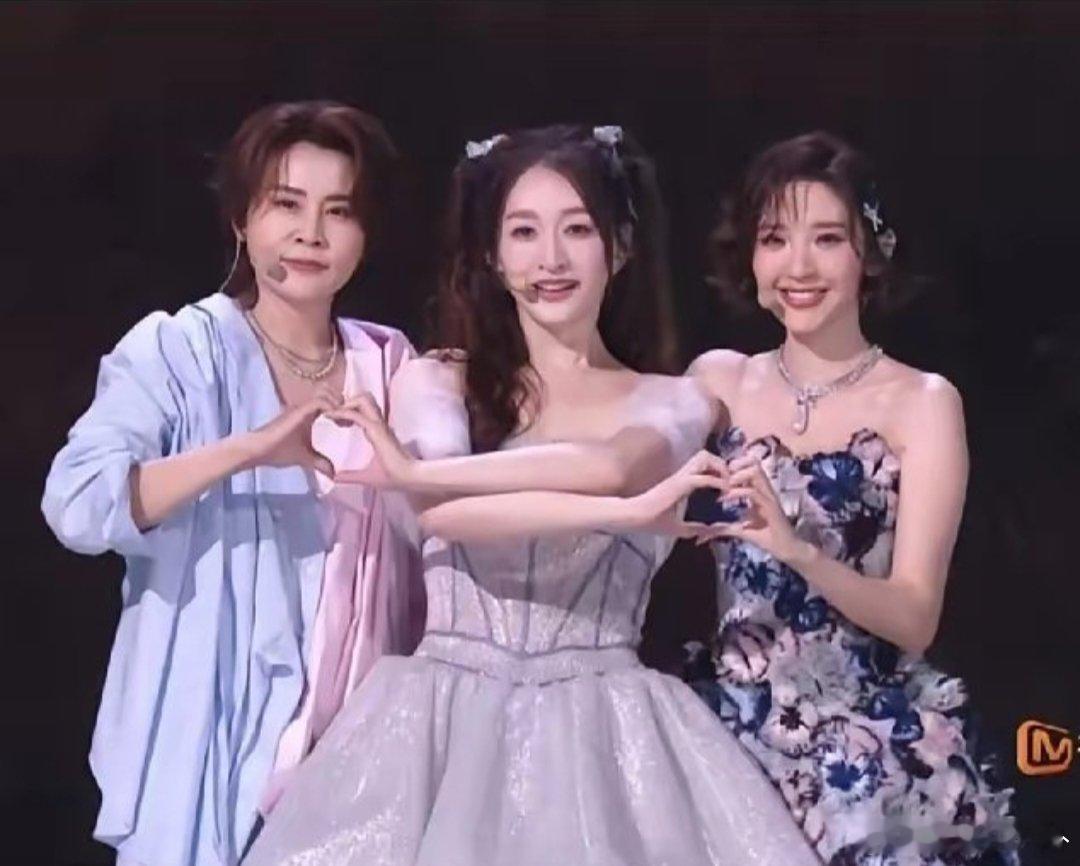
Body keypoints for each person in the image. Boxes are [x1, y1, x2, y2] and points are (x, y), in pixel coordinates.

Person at [243, 124, 819, 866]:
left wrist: (411, 471)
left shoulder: (677, 398)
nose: (550, 259)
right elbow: (448, 517)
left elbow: (611, 468)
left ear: (620, 246)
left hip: (609, 733)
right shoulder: (437, 378)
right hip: (434, 730)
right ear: (492, 253)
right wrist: (428, 482)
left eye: (576, 229)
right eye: (523, 232)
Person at [41, 101, 421, 866]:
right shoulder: (178, 351)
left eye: (338, 211)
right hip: (208, 735)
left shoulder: (391, 365)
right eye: (286, 204)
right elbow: (77, 505)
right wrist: (247, 450)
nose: (310, 234)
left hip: (357, 749)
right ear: (243, 219)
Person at [682, 131, 1020, 865]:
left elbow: (915, 616)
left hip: (865, 750)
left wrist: (799, 552)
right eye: (775, 239)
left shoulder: (922, 402)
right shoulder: (718, 381)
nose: (798, 267)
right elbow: (617, 451)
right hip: (728, 739)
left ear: (870, 252)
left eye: (827, 239)